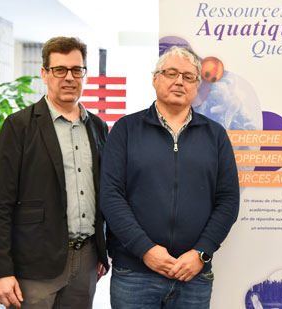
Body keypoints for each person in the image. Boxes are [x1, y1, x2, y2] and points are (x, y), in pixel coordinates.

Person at [100, 46, 240, 308]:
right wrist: (145, 250)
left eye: (188, 77)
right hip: (135, 274)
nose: (179, 81)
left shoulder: (216, 135)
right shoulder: (125, 130)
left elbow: (228, 200)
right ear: (155, 79)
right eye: (171, 73)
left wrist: (201, 253)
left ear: (197, 86)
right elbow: (110, 196)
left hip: (194, 274)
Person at [0, 36, 109, 308]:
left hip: (86, 259)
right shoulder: (19, 126)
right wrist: (0, 271)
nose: (69, 78)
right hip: (34, 265)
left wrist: (103, 249)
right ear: (45, 73)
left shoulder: (98, 128)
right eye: (59, 70)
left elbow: (105, 195)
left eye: (77, 70)